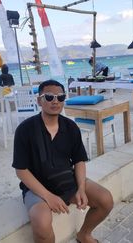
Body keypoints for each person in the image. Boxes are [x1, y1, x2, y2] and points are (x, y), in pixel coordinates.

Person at [12, 79, 113, 243]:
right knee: (42, 225)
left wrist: (80, 188)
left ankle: (84, 234)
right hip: (38, 188)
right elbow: (21, 170)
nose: (55, 101)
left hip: (67, 179)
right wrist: (48, 196)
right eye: (49, 97)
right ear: (39, 100)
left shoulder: (70, 127)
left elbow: (79, 160)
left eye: (60, 97)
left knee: (105, 200)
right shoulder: (25, 130)